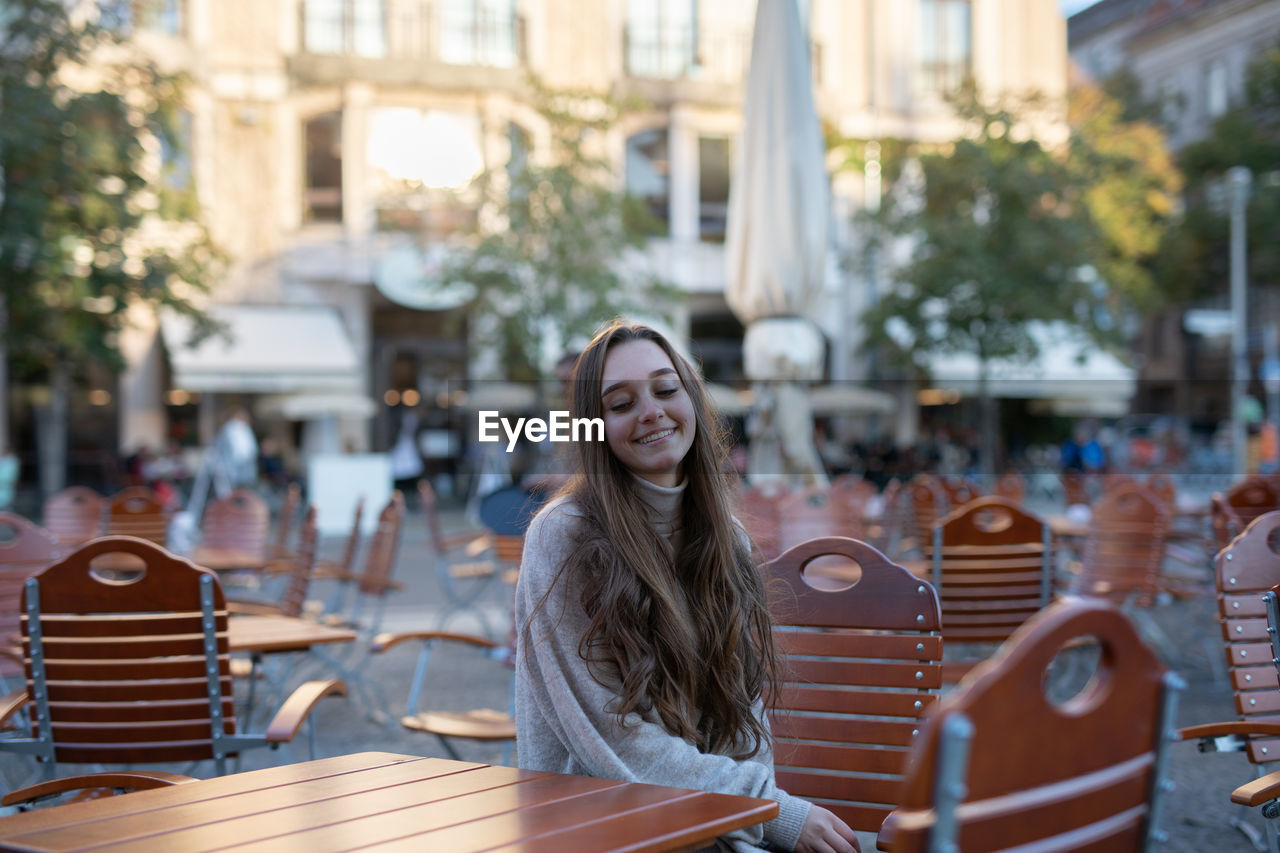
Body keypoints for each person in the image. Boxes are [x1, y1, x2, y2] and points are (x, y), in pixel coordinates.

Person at [515, 322, 858, 853]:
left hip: (705, 831)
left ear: (692, 400)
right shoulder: (563, 535)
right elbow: (611, 737)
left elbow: (743, 716)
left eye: (666, 389)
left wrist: (752, 833)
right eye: (621, 403)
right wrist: (770, 812)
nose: (651, 410)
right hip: (593, 830)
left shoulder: (729, 539)